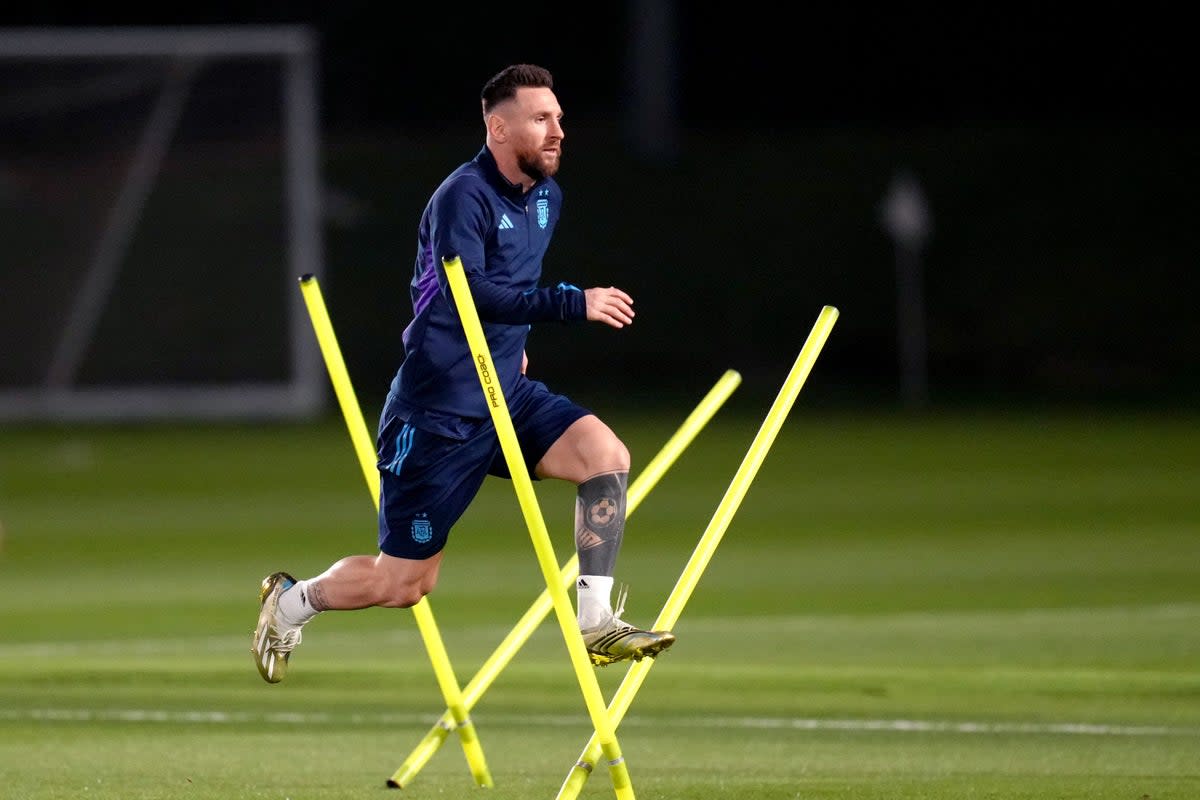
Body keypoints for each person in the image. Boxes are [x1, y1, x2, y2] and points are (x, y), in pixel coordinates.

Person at [252, 63, 675, 684]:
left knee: (604, 454)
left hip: (506, 391)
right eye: (541, 118)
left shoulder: (547, 199)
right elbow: (464, 292)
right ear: (498, 128)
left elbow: (512, 286)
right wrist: (570, 302)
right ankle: (289, 601)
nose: (557, 130)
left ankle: (595, 625)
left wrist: (518, 339)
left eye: (559, 117)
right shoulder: (462, 196)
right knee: (403, 585)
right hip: (437, 413)